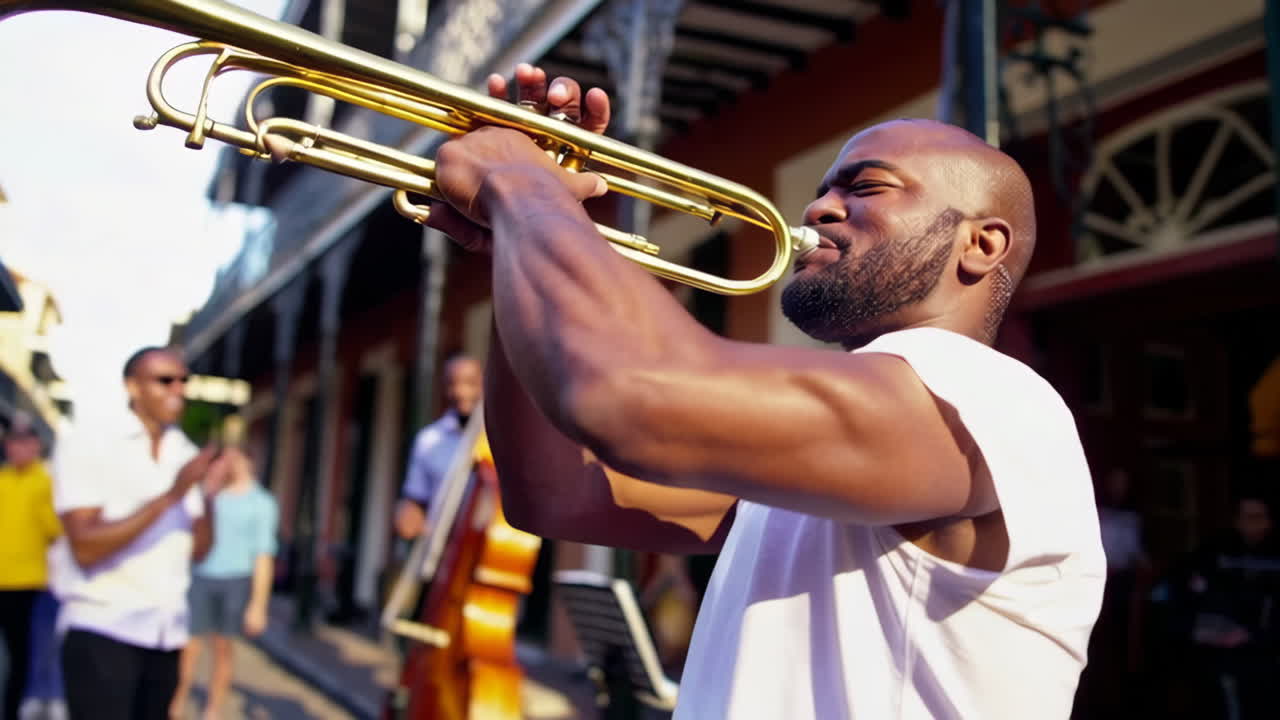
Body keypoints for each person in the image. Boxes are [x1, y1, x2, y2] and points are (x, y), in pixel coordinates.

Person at [418, 65, 1107, 719]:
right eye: (825, 189)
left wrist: (520, 186)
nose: (819, 207)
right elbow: (558, 496)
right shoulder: (857, 432)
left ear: (981, 245)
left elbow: (630, 397)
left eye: (866, 188)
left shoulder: (988, 398)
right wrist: (523, 234)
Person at [52, 347, 224, 720]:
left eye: (183, 381)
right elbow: (85, 545)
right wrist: (173, 494)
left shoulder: (184, 452)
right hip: (104, 625)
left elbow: (201, 551)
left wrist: (208, 494)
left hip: (166, 632)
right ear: (132, 386)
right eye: (165, 381)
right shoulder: (90, 442)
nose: (177, 390)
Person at [169, 447, 277, 720]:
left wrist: (258, 604)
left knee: (222, 647)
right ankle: (175, 701)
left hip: (236, 580)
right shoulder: (212, 494)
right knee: (188, 646)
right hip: (201, 575)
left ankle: (213, 709)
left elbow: (263, 556)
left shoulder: (261, 503)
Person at [1185, 493, 1280, 719]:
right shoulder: (1217, 551)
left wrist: (1253, 635)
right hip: (1220, 656)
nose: (1251, 523)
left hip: (1267, 656)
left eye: (1257, 517)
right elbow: (1193, 595)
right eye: (1245, 517)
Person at [0, 413, 60, 720]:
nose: (18, 449)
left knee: (21, 658)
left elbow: (56, 531)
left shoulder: (45, 483)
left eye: (24, 442)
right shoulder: (2, 481)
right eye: (13, 442)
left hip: (27, 585)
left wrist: (42, 507)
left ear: (36, 446)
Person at [393, 352, 483, 541]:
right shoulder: (429, 440)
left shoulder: (500, 436)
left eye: (469, 383)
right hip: (444, 549)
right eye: (453, 384)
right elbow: (415, 499)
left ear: (483, 385)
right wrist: (409, 517)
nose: (460, 392)